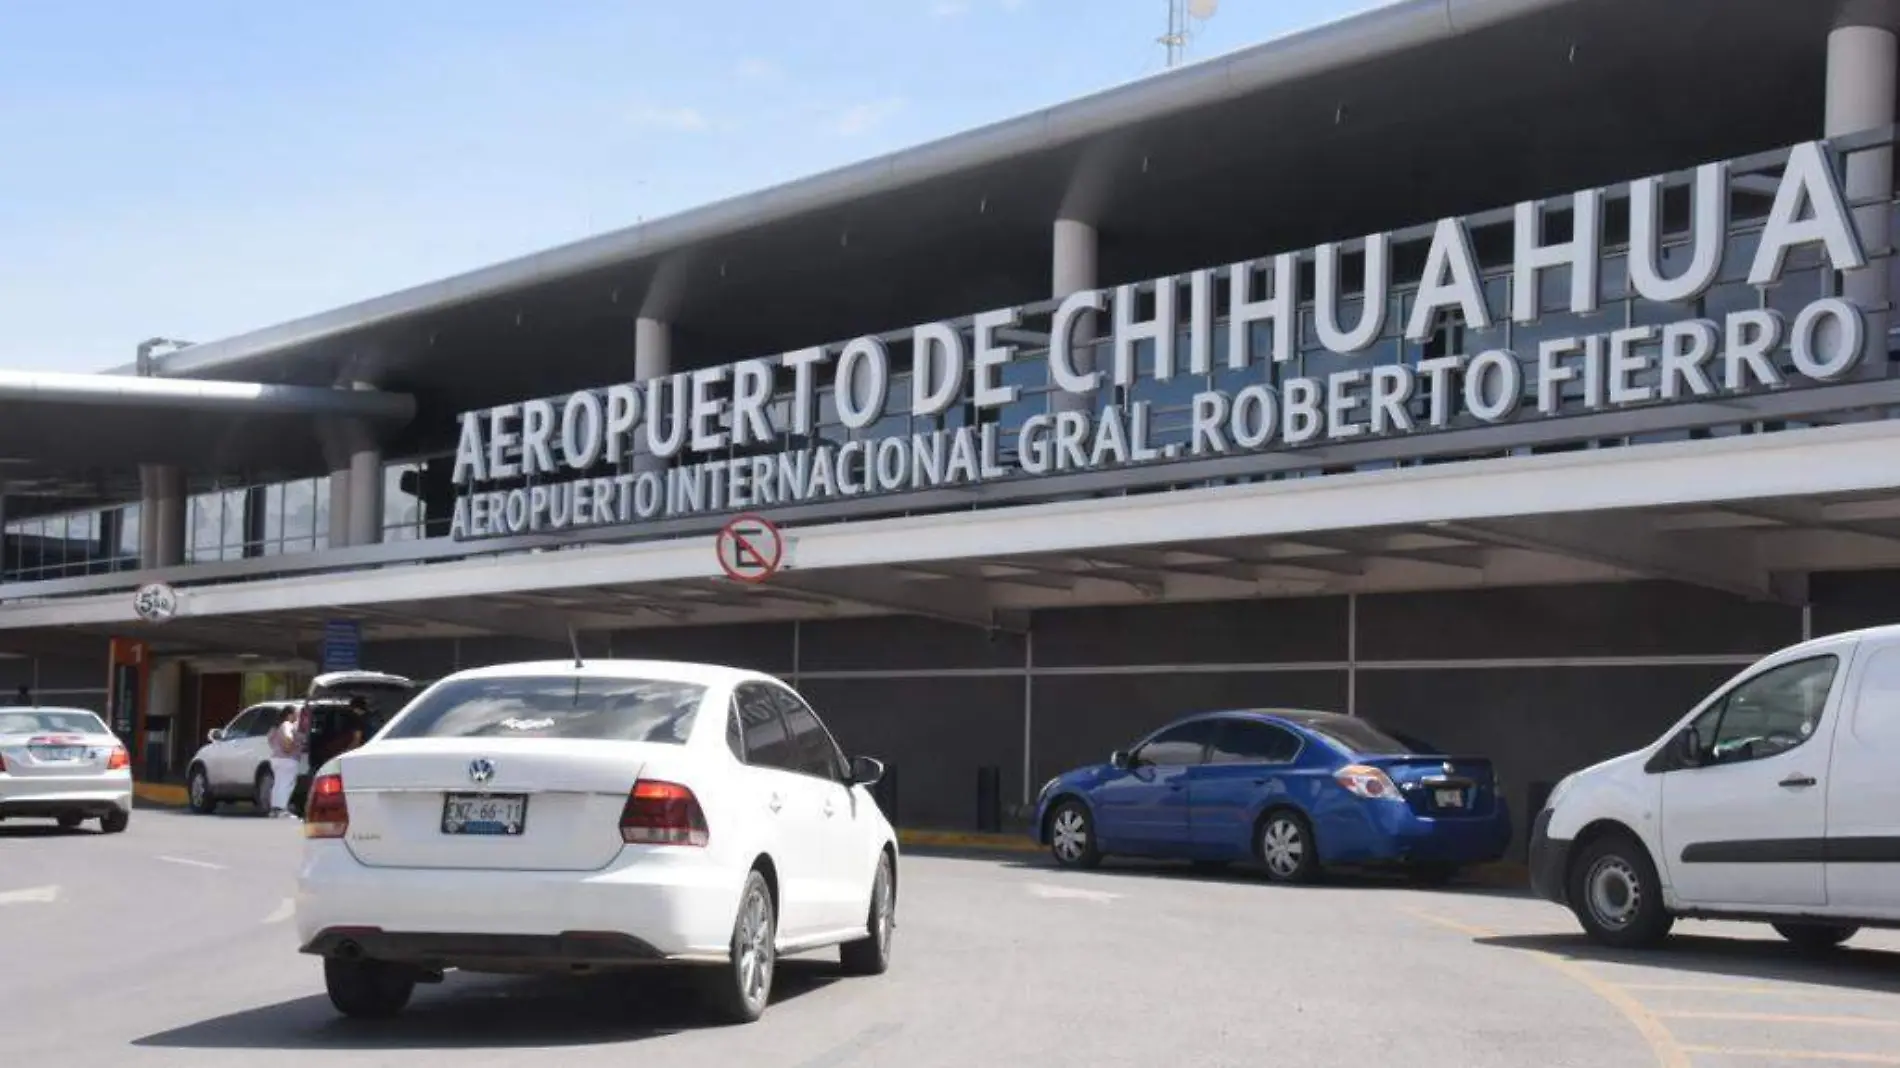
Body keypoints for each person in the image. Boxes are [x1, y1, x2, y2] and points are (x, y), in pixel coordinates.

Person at [266, 707, 300, 818]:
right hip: (287, 759)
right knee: (287, 784)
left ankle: (275, 809)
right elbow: (287, 737)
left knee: (278, 784)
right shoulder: (287, 724)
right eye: (296, 714)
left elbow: (270, 741)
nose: (297, 716)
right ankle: (282, 809)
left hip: (276, 758)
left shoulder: (274, 728)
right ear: (289, 715)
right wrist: (289, 748)